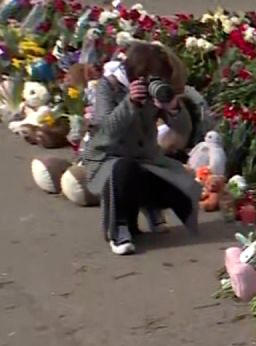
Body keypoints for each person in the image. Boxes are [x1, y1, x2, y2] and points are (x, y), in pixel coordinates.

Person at [81, 42, 200, 256]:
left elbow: (183, 132)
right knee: (124, 168)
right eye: (150, 78)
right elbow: (103, 135)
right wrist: (130, 104)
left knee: (182, 184)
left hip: (146, 160)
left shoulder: (157, 91)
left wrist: (173, 107)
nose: (154, 83)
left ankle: (151, 206)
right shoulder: (108, 87)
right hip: (107, 160)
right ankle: (119, 230)